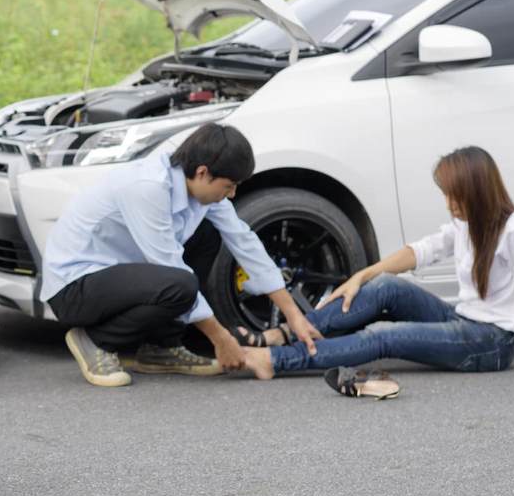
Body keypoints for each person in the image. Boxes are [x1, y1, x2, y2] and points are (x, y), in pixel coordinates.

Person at [40, 122, 321, 387]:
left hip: (117, 278)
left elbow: (244, 241)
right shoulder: (147, 187)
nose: (233, 194)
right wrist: (221, 339)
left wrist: (293, 315)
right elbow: (168, 264)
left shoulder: (200, 191)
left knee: (208, 235)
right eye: (229, 185)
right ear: (202, 172)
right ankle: (95, 340)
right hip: (75, 287)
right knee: (180, 284)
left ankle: (162, 348)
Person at [242, 146, 514, 397]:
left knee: (384, 336)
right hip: (464, 319)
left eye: (456, 197)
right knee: (387, 286)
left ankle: (276, 359)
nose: (449, 204)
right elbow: (421, 251)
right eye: (447, 195)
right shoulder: (467, 223)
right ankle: (286, 333)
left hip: (493, 342)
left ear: (479, 192)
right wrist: (361, 276)